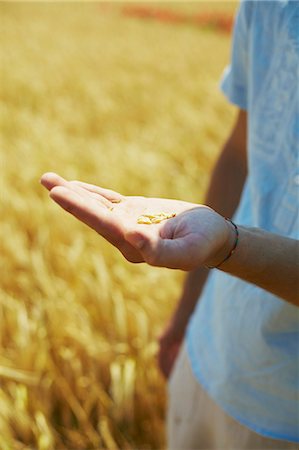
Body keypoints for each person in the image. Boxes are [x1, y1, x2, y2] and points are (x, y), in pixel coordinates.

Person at [41, 1, 299, 448]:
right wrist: (185, 314)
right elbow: (240, 153)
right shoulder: (267, 5)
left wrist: (227, 246)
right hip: (207, 353)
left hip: (284, 415)